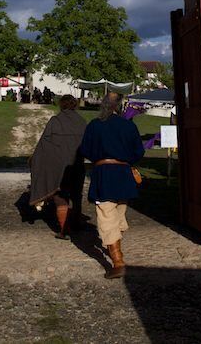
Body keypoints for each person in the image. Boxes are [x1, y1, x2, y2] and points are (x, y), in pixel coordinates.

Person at [79, 91, 144, 279]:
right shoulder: (128, 126)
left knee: (107, 216)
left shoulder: (94, 126)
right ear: (120, 105)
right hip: (123, 175)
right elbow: (138, 151)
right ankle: (115, 247)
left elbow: (85, 149)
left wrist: (101, 157)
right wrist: (124, 159)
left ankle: (118, 262)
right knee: (117, 212)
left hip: (104, 175)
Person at [28, 95, 88, 239]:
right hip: (77, 165)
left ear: (61, 105)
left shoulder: (55, 121)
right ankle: (77, 223)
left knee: (61, 197)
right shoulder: (82, 122)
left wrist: (35, 160)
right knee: (76, 195)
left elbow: (44, 145)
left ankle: (64, 229)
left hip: (59, 167)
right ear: (74, 105)